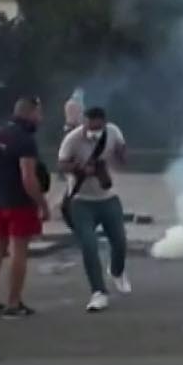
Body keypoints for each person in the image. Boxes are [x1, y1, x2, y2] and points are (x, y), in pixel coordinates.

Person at [0, 96, 49, 319]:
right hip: (21, 204)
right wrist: (42, 204)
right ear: (30, 113)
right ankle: (14, 303)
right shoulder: (25, 140)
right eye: (39, 114)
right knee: (19, 251)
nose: (41, 119)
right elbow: (28, 178)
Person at [56, 106, 130, 312]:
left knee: (120, 241)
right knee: (89, 245)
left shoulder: (113, 132)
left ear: (105, 123)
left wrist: (120, 155)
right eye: (91, 128)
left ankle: (117, 271)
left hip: (108, 197)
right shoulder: (72, 139)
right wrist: (81, 169)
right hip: (81, 200)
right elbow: (61, 165)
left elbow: (123, 154)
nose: (94, 133)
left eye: (99, 129)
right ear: (84, 122)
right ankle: (98, 292)